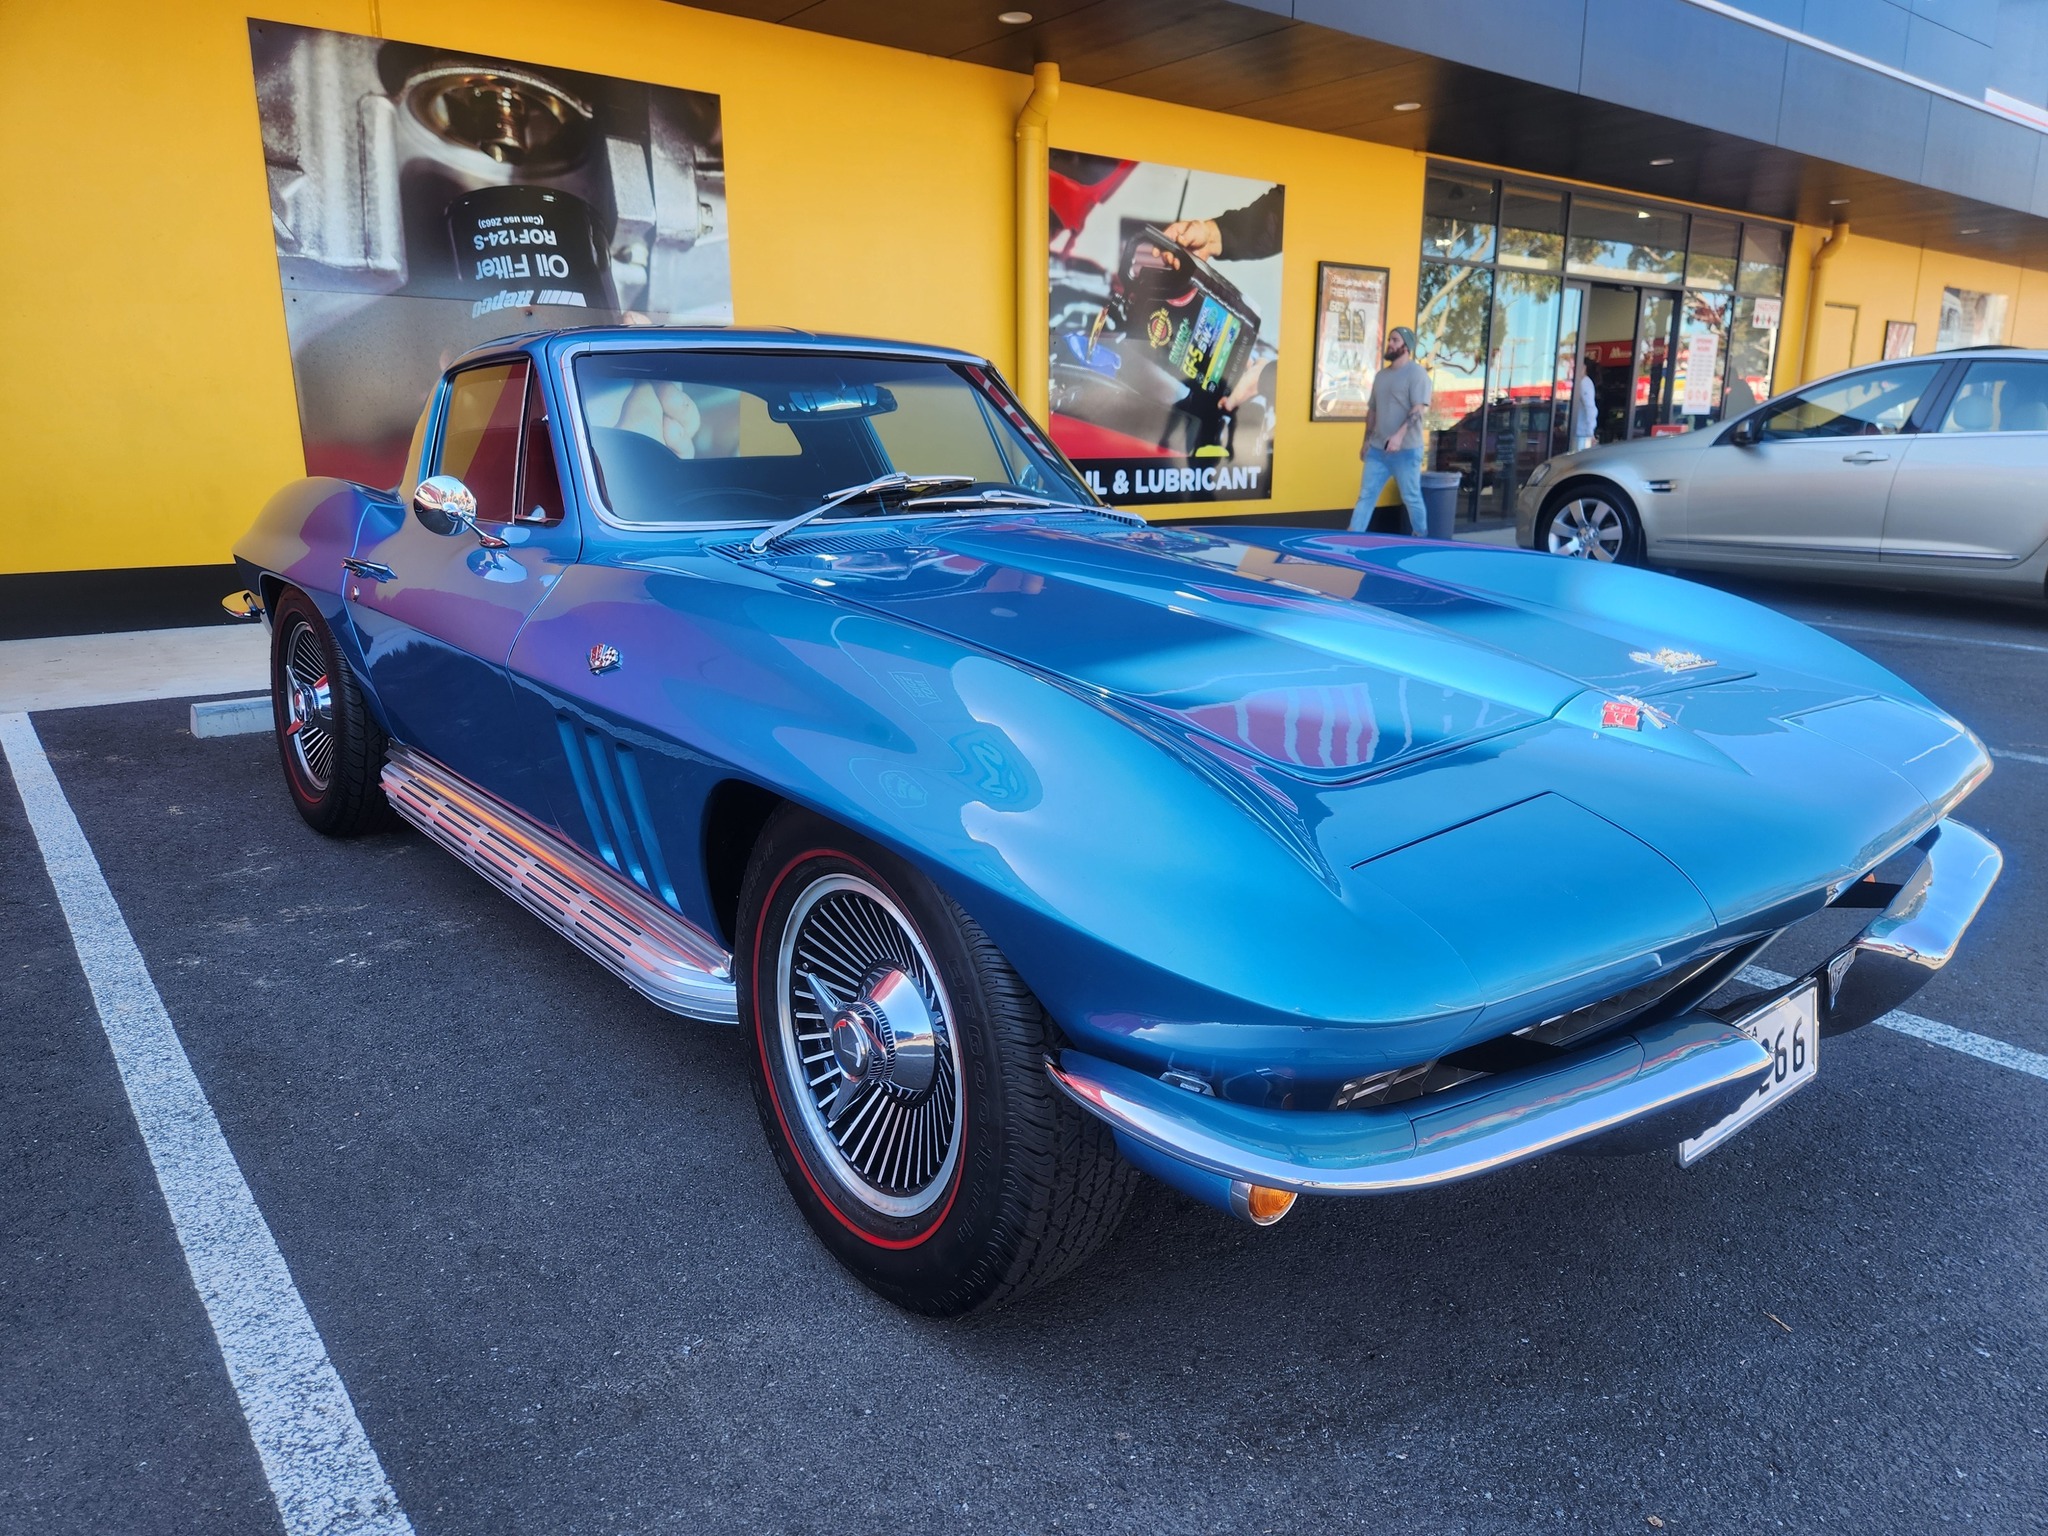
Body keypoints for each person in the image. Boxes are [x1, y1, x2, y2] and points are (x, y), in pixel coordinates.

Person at [1348, 326, 1431, 534]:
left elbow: (1418, 409)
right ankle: (1352, 537)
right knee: (1366, 496)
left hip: (1407, 451)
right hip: (1377, 450)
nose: (1390, 344)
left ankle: (1421, 538)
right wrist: (1366, 440)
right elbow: (1373, 410)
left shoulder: (1417, 374)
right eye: (1389, 340)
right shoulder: (1381, 376)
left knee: (1411, 497)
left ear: (1406, 346)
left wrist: (1398, 436)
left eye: (1395, 340)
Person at [1571, 352, 1599, 452]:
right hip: (1578, 432)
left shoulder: (1585, 383)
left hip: (1582, 434)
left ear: (1583, 368)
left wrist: (1590, 433)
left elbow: (1590, 407)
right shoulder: (1580, 383)